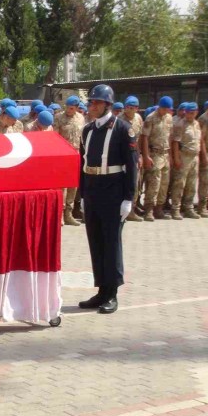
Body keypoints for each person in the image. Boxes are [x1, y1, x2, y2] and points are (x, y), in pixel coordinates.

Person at [78, 84, 138, 315]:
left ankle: (112, 293)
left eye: (96, 102)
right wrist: (83, 194)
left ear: (107, 105)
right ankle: (101, 290)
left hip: (113, 191)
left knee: (112, 242)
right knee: (96, 241)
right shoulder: (88, 130)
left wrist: (128, 198)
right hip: (93, 189)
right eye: (91, 102)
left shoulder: (123, 129)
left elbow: (132, 166)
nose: (92, 105)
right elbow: (82, 164)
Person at [140, 96, 174, 221]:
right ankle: (149, 209)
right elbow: (144, 137)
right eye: (164, 108)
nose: (166, 111)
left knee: (164, 184)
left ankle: (159, 208)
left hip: (165, 154)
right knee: (154, 183)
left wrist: (170, 155)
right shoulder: (151, 118)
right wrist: (146, 156)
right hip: (154, 153)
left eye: (168, 109)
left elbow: (169, 137)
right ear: (159, 106)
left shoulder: (169, 118)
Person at [53, 96, 86, 226]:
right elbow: (55, 137)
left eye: (72, 108)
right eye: (67, 107)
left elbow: (82, 137)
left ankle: (69, 213)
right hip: (63, 154)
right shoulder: (58, 118)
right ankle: (60, 214)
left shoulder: (81, 118)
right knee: (62, 185)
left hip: (76, 153)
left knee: (73, 184)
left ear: (77, 108)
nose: (69, 110)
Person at [169, 102, 202, 220]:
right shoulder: (180, 124)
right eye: (188, 113)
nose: (190, 115)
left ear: (196, 113)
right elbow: (175, 143)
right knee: (179, 183)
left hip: (194, 157)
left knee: (191, 184)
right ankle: (175, 208)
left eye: (193, 113)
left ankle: (188, 208)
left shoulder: (197, 124)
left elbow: (199, 141)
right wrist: (176, 158)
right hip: (184, 156)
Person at [120, 96, 145, 222]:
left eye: (133, 108)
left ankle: (131, 210)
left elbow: (139, 139)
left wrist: (140, 155)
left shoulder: (138, 119)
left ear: (137, 108)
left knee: (134, 182)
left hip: (134, 155)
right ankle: (120, 211)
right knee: (121, 183)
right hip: (122, 156)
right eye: (128, 107)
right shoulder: (119, 120)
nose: (130, 110)